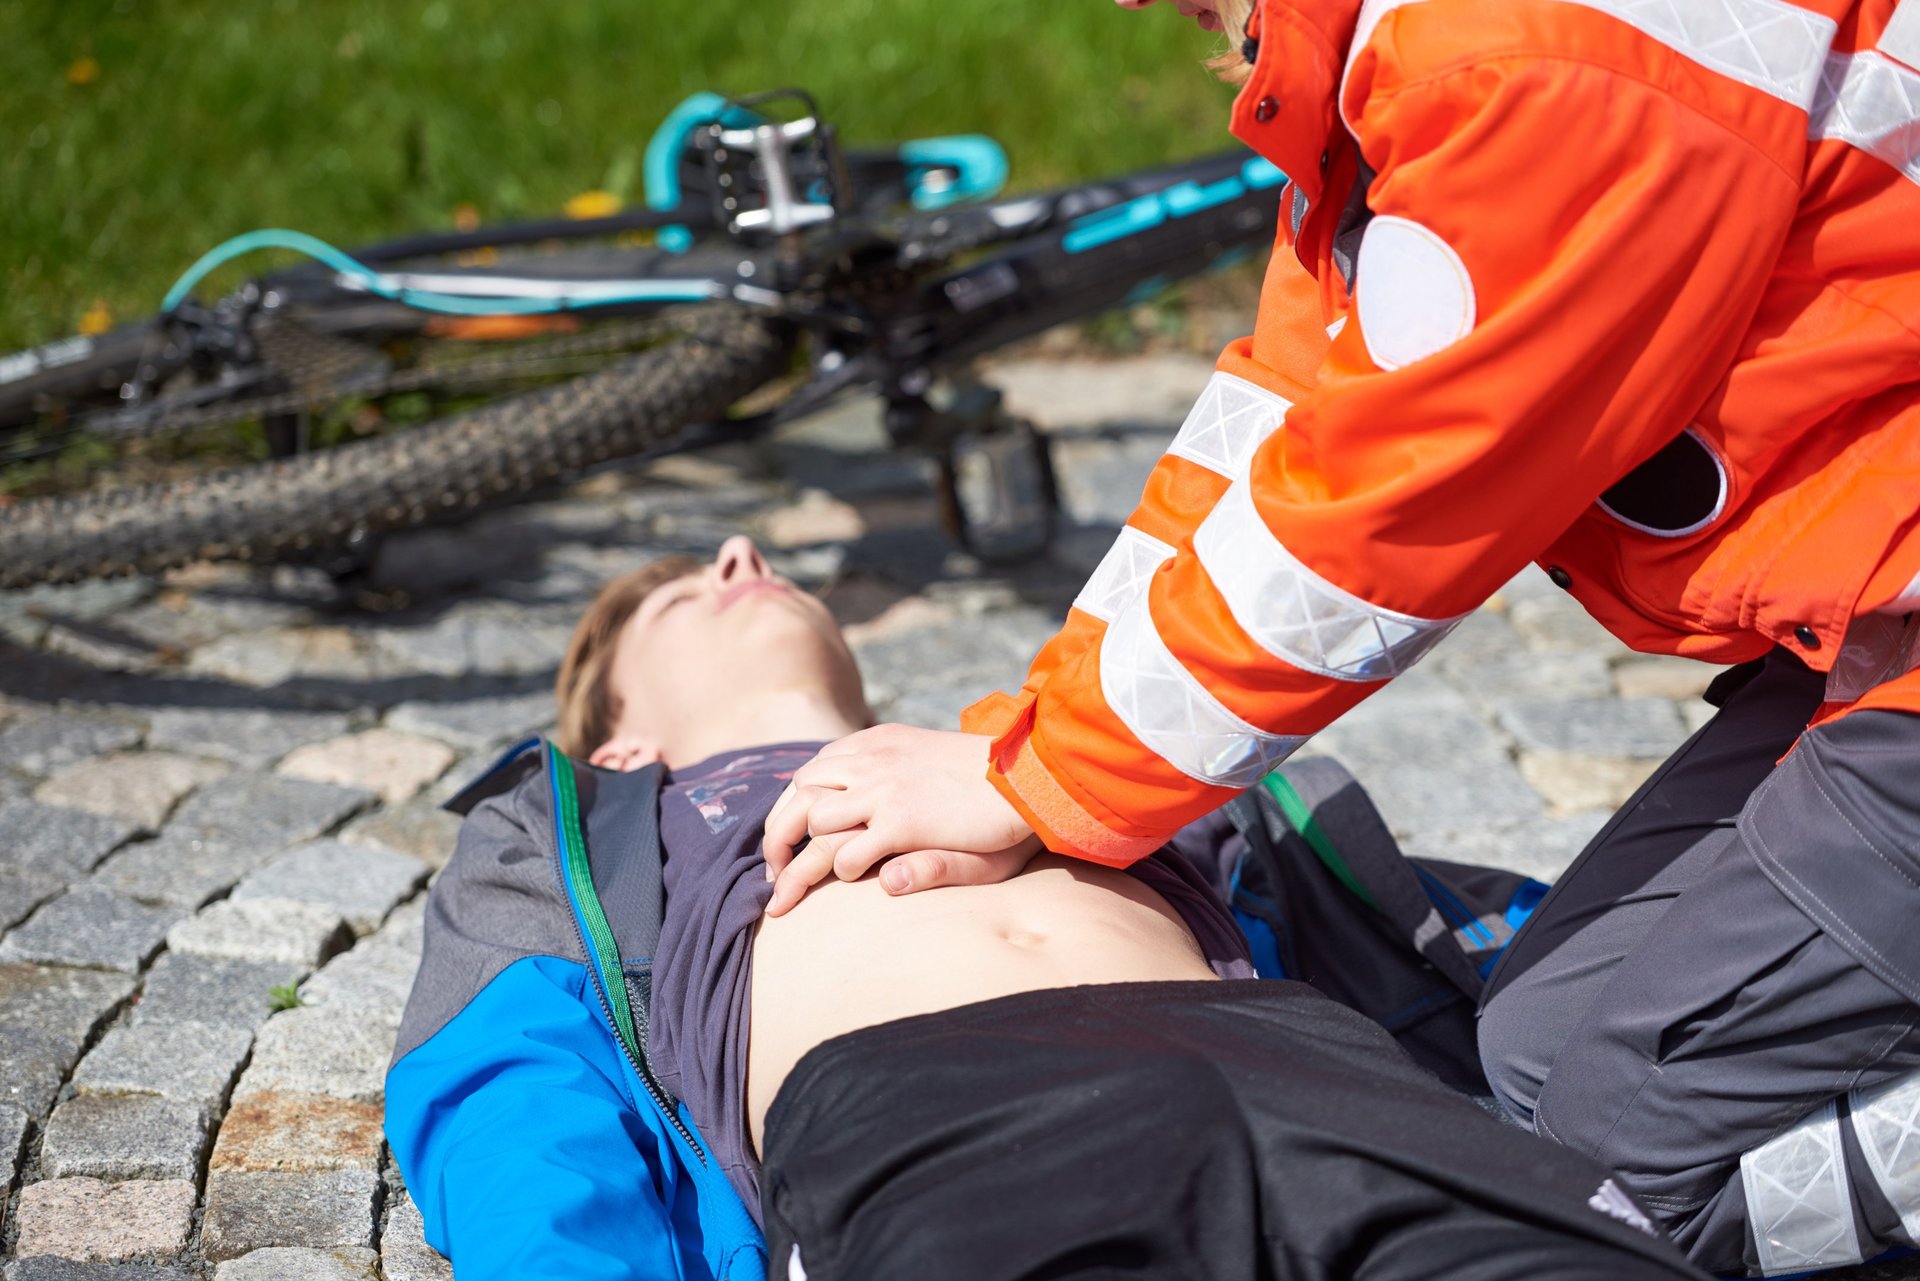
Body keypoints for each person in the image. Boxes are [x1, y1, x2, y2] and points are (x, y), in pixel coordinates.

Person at [758, 0, 1920, 1274]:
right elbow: (1286, 421)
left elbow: (1399, 501)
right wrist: (1028, 744)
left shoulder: (1525, 58)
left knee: (1630, 1173)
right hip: (1879, 630)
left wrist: (1052, 778)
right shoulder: (1393, 55)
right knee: (1534, 1055)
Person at [385, 536, 1703, 1281]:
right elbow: (512, 1099)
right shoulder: (590, 828)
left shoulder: (1055, 744)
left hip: (1315, 1070)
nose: (740, 548)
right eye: (678, 592)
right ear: (619, 742)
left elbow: (1454, 929)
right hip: (951, 1115)